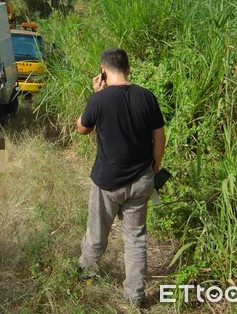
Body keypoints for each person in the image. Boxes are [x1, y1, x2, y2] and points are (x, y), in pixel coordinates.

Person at [76, 48, 166, 307]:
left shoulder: (99, 100)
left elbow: (82, 128)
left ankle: (86, 276)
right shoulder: (147, 97)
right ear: (128, 69)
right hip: (141, 180)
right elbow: (159, 137)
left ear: (103, 70)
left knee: (96, 233)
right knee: (136, 238)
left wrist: (96, 95)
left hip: (107, 182)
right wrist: (155, 168)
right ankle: (134, 296)